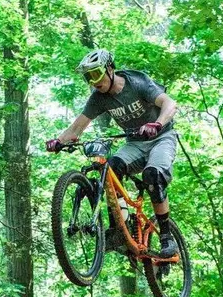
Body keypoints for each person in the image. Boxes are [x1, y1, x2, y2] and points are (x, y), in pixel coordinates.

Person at [45, 48, 179, 257]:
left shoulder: (136, 82)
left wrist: (157, 123)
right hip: (134, 143)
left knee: (153, 175)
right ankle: (119, 228)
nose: (93, 81)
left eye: (96, 74)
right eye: (88, 77)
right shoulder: (98, 98)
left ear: (109, 69)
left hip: (161, 138)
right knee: (111, 169)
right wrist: (58, 141)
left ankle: (166, 236)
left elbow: (169, 103)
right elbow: (77, 127)